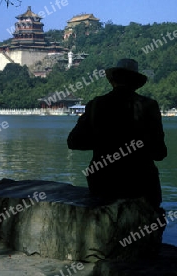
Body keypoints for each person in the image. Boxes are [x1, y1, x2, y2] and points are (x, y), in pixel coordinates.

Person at [67, 58, 167, 209]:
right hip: (142, 185)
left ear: (113, 80)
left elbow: (73, 142)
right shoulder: (149, 106)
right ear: (135, 83)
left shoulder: (96, 105)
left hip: (103, 183)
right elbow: (159, 153)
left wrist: (103, 141)